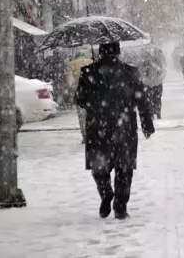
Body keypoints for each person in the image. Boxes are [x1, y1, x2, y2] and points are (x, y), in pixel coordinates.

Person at [75, 42, 155, 220]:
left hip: (98, 126)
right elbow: (141, 100)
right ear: (118, 52)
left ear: (100, 52)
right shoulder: (131, 72)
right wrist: (147, 125)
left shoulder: (88, 71)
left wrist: (95, 104)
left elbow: (80, 99)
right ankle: (120, 206)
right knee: (124, 168)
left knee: (99, 166)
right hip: (124, 127)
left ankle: (105, 192)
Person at [66, 51, 93, 144]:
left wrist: (71, 91)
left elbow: (70, 82)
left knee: (82, 116)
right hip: (91, 92)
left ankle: (85, 136)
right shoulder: (91, 61)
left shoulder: (71, 64)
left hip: (79, 93)